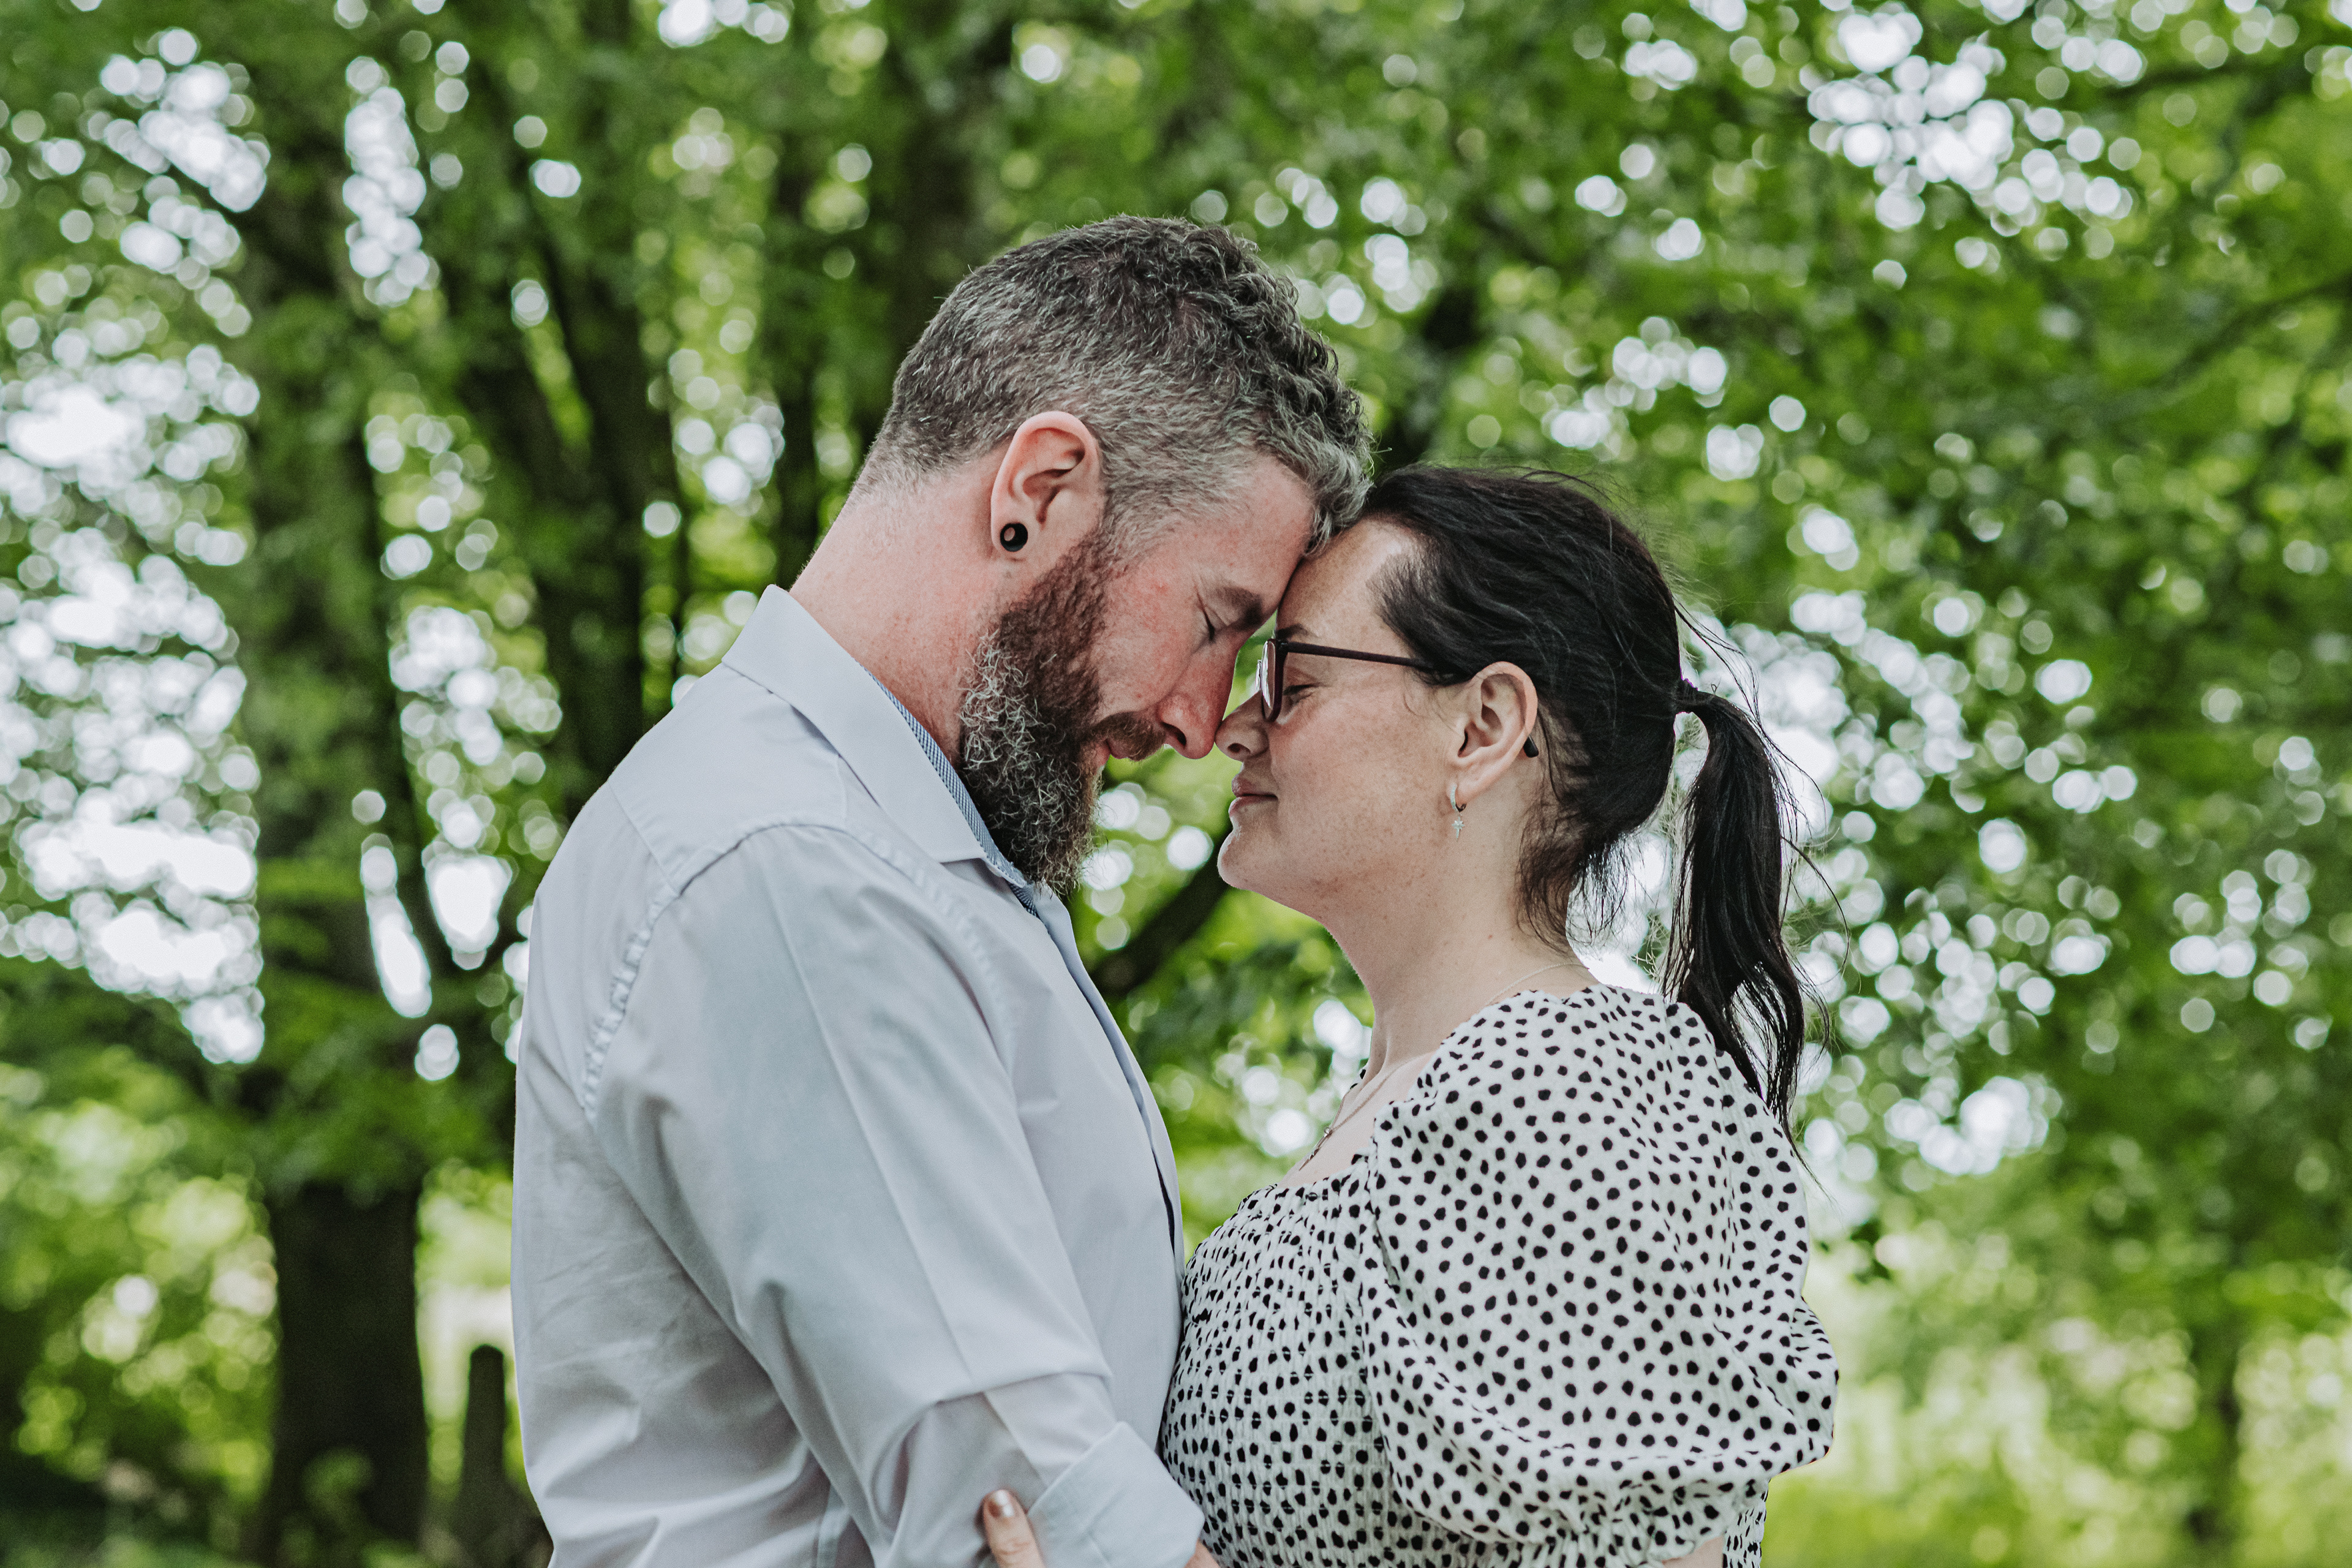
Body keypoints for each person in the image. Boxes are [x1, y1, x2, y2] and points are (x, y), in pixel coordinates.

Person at [508, 217, 1368, 1568]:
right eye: (1216, 620)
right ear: (1039, 487)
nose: (1206, 723)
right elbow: (1033, 1515)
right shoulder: (795, 865)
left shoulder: (908, 848)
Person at [981, 466, 1837, 1568]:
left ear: (1483, 726)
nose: (1232, 727)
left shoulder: (1558, 1093)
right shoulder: (1420, 1102)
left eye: (1292, 680)